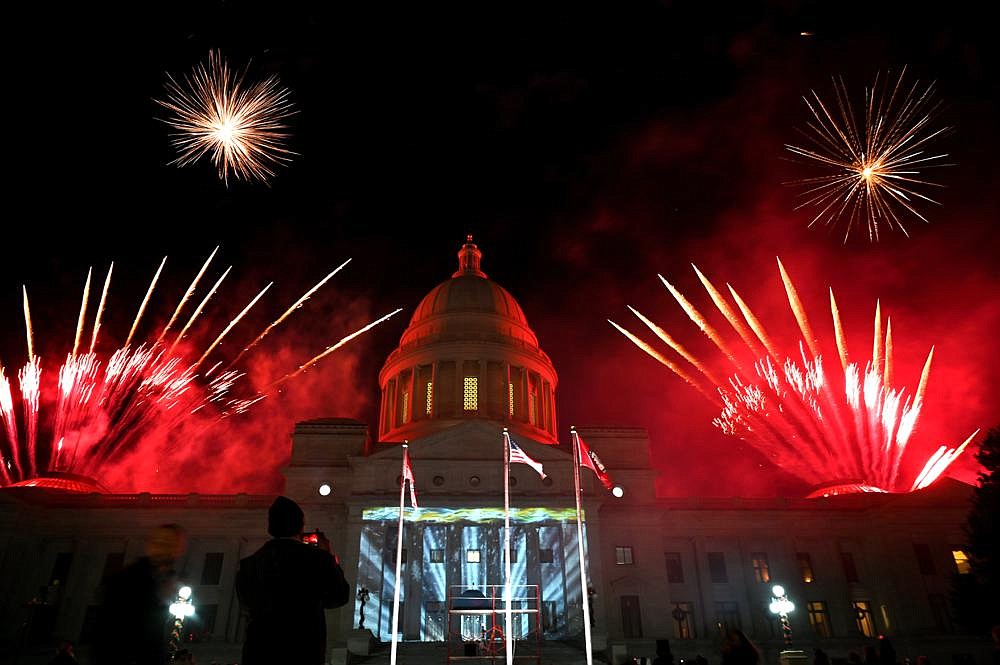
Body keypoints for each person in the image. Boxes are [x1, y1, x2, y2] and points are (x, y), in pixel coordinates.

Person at [236, 496, 350, 665]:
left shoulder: (249, 564)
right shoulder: (318, 559)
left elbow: (246, 606)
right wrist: (330, 557)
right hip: (302, 651)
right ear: (301, 527)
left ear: (270, 526)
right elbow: (339, 596)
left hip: (259, 652)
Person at [95, 524, 187, 665]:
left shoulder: (169, 581)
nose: (163, 548)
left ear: (178, 549)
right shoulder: (127, 579)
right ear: (150, 545)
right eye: (159, 543)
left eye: (169, 544)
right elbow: (108, 635)